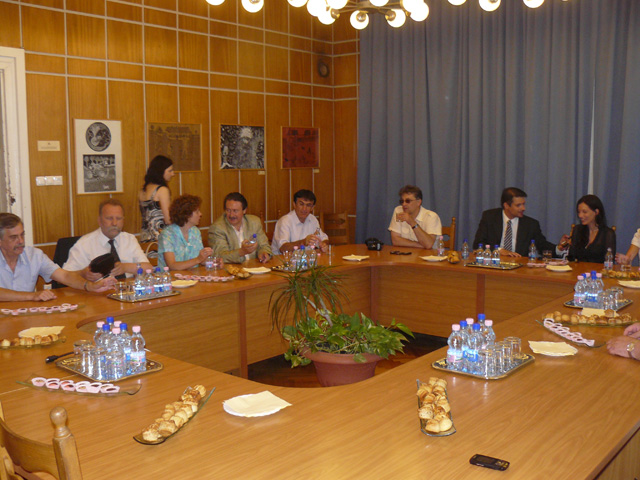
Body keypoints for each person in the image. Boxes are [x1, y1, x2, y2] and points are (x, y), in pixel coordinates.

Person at [0, 213, 114, 301]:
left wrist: (90, 286)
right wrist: (32, 296)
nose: (21, 241)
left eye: (22, 235)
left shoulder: (34, 255)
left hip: (25, 314)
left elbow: (64, 276)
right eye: (13, 237)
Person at [64, 199, 152, 280]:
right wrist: (82, 274)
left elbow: (148, 268)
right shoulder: (84, 244)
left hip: (126, 288)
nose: (114, 223)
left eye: (118, 218)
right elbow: (65, 276)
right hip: (96, 290)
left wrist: (125, 267)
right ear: (99, 221)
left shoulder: (129, 239)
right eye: (109, 218)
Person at [473, 187, 557, 257]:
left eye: (523, 204)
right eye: (518, 205)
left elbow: (542, 246)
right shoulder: (490, 217)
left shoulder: (531, 224)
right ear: (506, 205)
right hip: (494, 263)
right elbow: (478, 244)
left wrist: (559, 248)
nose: (523, 208)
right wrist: (499, 250)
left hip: (519, 265)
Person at [208, 192, 272, 264]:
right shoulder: (217, 228)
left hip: (254, 266)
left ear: (244, 210)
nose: (231, 215)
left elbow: (264, 245)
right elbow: (220, 256)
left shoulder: (254, 222)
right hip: (231, 269)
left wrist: (264, 253)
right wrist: (241, 252)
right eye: (228, 210)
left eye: (235, 211)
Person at [158, 195, 212, 270]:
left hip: (191, 275)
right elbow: (172, 266)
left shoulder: (195, 231)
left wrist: (213, 262)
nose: (200, 214)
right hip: (170, 276)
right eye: (197, 212)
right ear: (187, 215)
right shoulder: (167, 235)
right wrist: (198, 259)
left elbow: (201, 260)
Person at [557, 194, 616, 263]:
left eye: (584, 212)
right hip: (577, 269)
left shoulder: (608, 234)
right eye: (579, 212)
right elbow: (571, 258)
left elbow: (609, 261)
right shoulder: (577, 230)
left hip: (598, 270)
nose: (580, 215)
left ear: (596, 212)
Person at [271, 189, 329, 254]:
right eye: (301, 204)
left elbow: (325, 239)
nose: (304, 209)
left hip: (305, 258)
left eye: (308, 205)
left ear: (312, 208)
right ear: (294, 204)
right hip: (282, 259)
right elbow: (283, 248)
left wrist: (323, 245)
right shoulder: (284, 221)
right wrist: (303, 242)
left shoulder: (313, 219)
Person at [138, 155, 174, 242]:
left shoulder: (142, 190)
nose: (173, 174)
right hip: (160, 237)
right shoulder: (162, 190)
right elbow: (168, 220)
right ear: (160, 171)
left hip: (145, 237)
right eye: (170, 171)